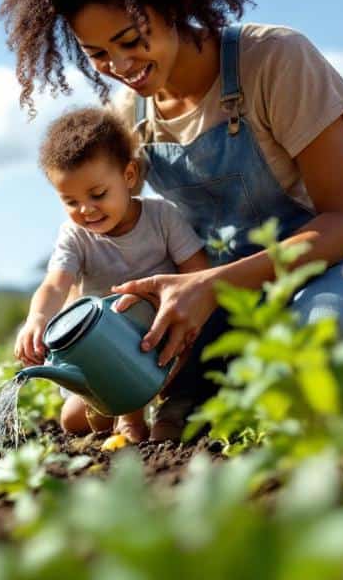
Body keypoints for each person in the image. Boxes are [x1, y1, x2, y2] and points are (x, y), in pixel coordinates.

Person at [0, 0, 343, 416]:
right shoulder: (127, 113)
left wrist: (213, 283)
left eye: (132, 39)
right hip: (216, 304)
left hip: (323, 277)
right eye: (98, 54)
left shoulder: (275, 61)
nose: (121, 65)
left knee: (312, 362)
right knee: (104, 409)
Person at [15, 108, 210, 442]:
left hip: (164, 339)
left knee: (166, 430)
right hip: (105, 353)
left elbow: (199, 275)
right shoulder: (75, 236)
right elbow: (54, 284)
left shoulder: (162, 217)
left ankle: (168, 407)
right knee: (74, 421)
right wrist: (36, 319)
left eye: (98, 195)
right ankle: (122, 412)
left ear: (129, 175)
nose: (86, 210)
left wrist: (179, 306)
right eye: (70, 201)